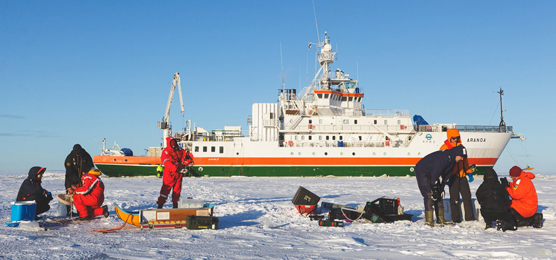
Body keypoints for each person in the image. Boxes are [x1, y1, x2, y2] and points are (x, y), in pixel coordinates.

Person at [415, 145, 467, 227]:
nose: (462, 159)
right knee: (430, 194)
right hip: (423, 170)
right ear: (456, 154)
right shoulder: (443, 158)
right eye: (461, 157)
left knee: (439, 195)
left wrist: (442, 187)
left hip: (433, 173)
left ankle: (441, 219)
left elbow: (448, 174)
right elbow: (435, 173)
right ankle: (429, 221)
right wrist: (434, 188)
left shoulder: (453, 160)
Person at [439, 129, 476, 223]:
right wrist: (444, 176)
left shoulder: (462, 147)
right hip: (452, 177)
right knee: (454, 198)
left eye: (457, 138)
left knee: (467, 197)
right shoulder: (445, 147)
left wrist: (469, 172)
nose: (455, 139)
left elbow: (466, 162)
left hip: (462, 176)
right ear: (449, 137)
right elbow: (441, 163)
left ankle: (470, 218)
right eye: (453, 138)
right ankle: (456, 219)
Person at [496, 166, 543, 231]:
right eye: (511, 177)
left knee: (509, 205)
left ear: (517, 175)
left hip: (528, 207)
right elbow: (516, 186)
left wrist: (507, 187)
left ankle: (530, 219)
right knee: (510, 204)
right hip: (527, 205)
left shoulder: (524, 181)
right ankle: (534, 218)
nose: (512, 178)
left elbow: (515, 195)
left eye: (513, 177)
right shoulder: (521, 179)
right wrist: (509, 184)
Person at [156, 137, 195, 209]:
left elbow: (186, 156)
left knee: (177, 191)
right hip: (169, 174)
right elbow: (166, 162)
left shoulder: (179, 150)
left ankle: (175, 206)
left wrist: (188, 159)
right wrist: (177, 169)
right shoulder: (166, 152)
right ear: (169, 144)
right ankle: (160, 206)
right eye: (172, 145)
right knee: (165, 190)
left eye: (174, 144)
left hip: (178, 174)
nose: (174, 146)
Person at [64, 144, 94, 215]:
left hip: (83, 178)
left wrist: (85, 173)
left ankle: (81, 211)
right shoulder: (69, 158)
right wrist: (76, 180)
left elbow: (91, 166)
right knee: (70, 195)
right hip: (71, 178)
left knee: (82, 195)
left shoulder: (86, 156)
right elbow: (69, 171)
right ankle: (69, 212)